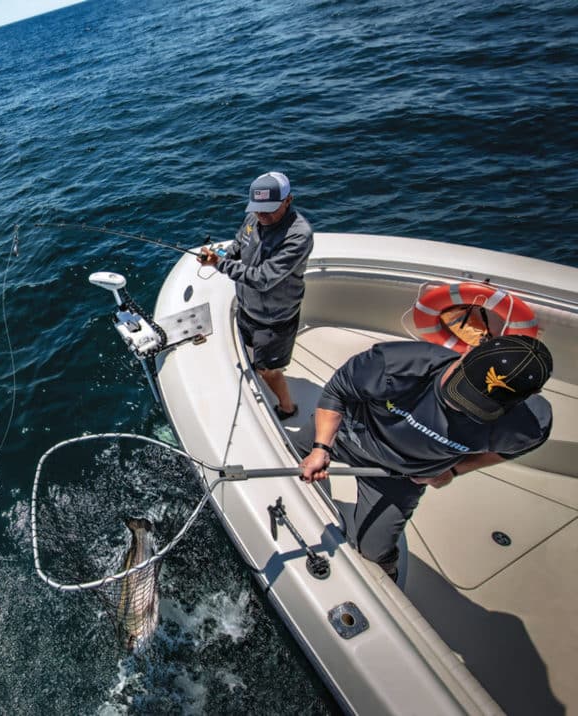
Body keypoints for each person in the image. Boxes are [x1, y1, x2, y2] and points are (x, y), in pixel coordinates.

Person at [297, 334, 553, 581]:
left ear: (524, 400)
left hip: (401, 478)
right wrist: (321, 448)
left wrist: (453, 471)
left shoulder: (530, 426)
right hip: (345, 437)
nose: (457, 406)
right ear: (470, 350)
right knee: (285, 454)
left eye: (478, 406)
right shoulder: (397, 363)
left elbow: (508, 451)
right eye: (461, 388)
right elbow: (338, 391)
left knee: (374, 553)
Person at [198, 171, 313, 420]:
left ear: (288, 200)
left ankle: (287, 407)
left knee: (268, 370)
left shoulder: (298, 235)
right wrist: (223, 256)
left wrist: (219, 264)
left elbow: (263, 278)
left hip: (274, 319)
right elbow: (240, 243)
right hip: (247, 307)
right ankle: (258, 365)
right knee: (251, 350)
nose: (262, 215)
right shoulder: (254, 217)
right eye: (258, 208)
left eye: (269, 209)